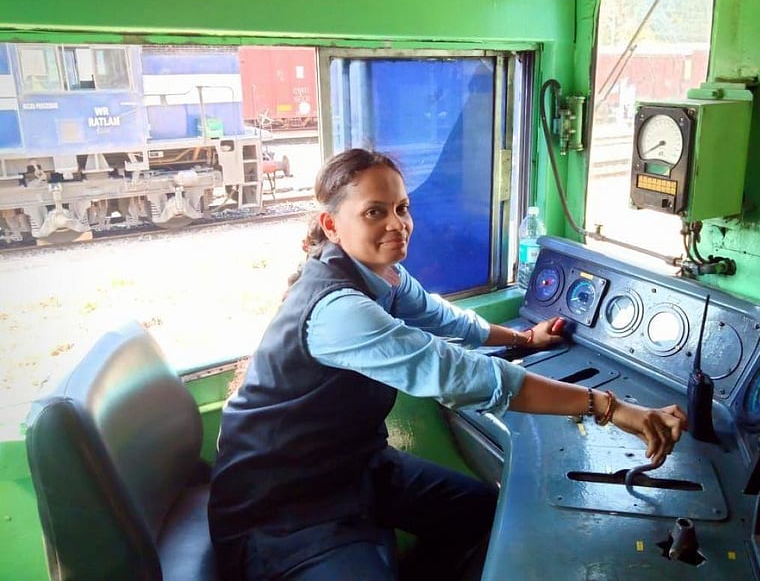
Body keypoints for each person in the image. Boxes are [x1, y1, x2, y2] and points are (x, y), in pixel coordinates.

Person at [208, 148, 687, 581]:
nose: (397, 224)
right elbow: (460, 374)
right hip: (282, 509)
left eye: (402, 208)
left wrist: (524, 337)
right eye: (375, 212)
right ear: (332, 225)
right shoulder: (339, 310)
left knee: (485, 515)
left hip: (353, 469)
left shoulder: (383, 274)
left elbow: (445, 318)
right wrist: (607, 406)